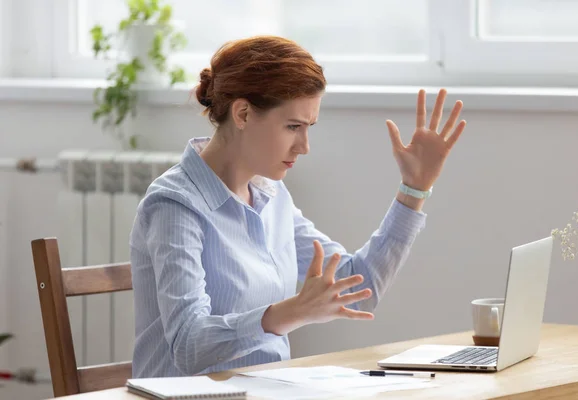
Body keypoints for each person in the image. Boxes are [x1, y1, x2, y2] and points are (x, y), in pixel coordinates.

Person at [130, 35, 466, 378]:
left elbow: (356, 289)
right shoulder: (174, 205)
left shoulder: (272, 196)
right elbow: (189, 347)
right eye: (293, 127)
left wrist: (414, 190)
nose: (304, 146)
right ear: (243, 113)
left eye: (309, 128)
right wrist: (291, 313)